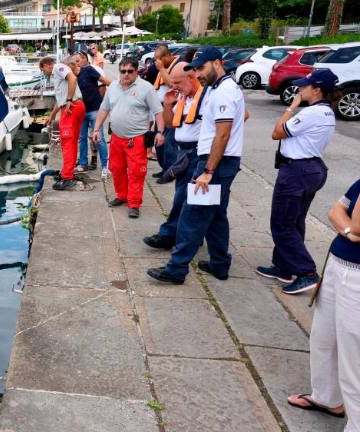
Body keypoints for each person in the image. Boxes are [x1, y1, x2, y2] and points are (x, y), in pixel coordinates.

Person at [147, 47, 245, 284]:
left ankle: (176, 269)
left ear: (218, 63)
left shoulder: (224, 93)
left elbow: (222, 134)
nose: (199, 74)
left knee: (192, 216)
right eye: (196, 69)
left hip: (215, 163)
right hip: (220, 162)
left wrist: (208, 170)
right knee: (216, 216)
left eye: (202, 68)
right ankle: (220, 263)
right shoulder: (218, 89)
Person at [256, 69, 339, 295]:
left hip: (297, 171)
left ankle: (306, 272)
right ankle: (284, 266)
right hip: (311, 169)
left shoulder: (311, 113)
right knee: (294, 221)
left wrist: (292, 107)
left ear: (317, 90)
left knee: (282, 223)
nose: (300, 89)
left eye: (305, 86)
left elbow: (277, 132)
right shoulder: (326, 112)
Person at [286, 178, 360, 428]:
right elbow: (335, 210)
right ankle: (327, 398)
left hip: (357, 276)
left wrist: (349, 229)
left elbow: (358, 226)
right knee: (323, 338)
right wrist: (347, 231)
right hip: (338, 265)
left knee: (353, 357)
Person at [143, 62, 207, 250]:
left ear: (192, 77)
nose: (174, 86)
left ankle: (170, 235)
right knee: (185, 196)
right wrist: (169, 105)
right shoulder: (183, 97)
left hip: (196, 153)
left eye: (177, 82)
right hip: (183, 152)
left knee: (184, 198)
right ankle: (190, 234)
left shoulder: (205, 97)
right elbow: (171, 124)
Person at [92, 57, 165, 218]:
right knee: (116, 169)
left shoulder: (146, 88)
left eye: (129, 71)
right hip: (117, 138)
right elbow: (104, 109)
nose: (126, 75)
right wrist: (96, 129)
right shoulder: (113, 87)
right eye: (122, 71)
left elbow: (158, 111)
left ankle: (134, 203)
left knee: (136, 172)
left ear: (136, 71)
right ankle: (121, 195)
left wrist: (160, 132)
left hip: (136, 139)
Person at [39, 56, 86, 191]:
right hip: (73, 106)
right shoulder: (57, 74)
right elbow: (60, 100)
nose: (44, 74)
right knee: (70, 142)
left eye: (43, 71)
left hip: (71, 107)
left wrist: (70, 99)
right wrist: (51, 117)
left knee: (67, 142)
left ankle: (67, 178)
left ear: (46, 65)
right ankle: (67, 172)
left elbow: (73, 79)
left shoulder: (59, 68)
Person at [74, 51, 112, 178]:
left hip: (95, 110)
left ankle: (105, 166)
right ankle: (83, 164)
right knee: (82, 138)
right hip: (81, 111)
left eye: (78, 61)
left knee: (99, 138)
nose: (76, 64)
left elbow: (105, 82)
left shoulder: (89, 70)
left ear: (85, 59)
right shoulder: (71, 76)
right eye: (74, 62)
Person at [151, 44, 180, 182]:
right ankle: (164, 168)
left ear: (168, 56)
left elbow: (171, 85)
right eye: (156, 59)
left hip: (170, 109)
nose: (157, 62)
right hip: (159, 109)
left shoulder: (175, 67)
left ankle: (170, 172)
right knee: (159, 141)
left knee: (168, 143)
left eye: (160, 59)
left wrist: (162, 69)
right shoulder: (162, 68)